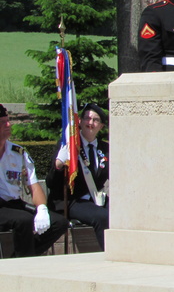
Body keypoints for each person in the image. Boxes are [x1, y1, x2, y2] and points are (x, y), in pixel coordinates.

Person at [0, 103, 68, 257]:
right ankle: (23, 264)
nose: (8, 125)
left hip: (13, 204)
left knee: (59, 223)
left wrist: (42, 209)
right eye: (2, 122)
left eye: (8, 120)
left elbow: (34, 185)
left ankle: (18, 259)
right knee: (23, 220)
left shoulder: (18, 153)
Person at [46, 103, 109, 250]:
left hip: (95, 198)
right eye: (87, 118)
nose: (90, 123)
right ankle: (111, 255)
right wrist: (59, 166)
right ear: (79, 122)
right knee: (103, 217)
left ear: (101, 126)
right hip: (72, 200)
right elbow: (51, 182)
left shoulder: (105, 148)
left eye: (95, 120)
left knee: (121, 212)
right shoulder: (68, 145)